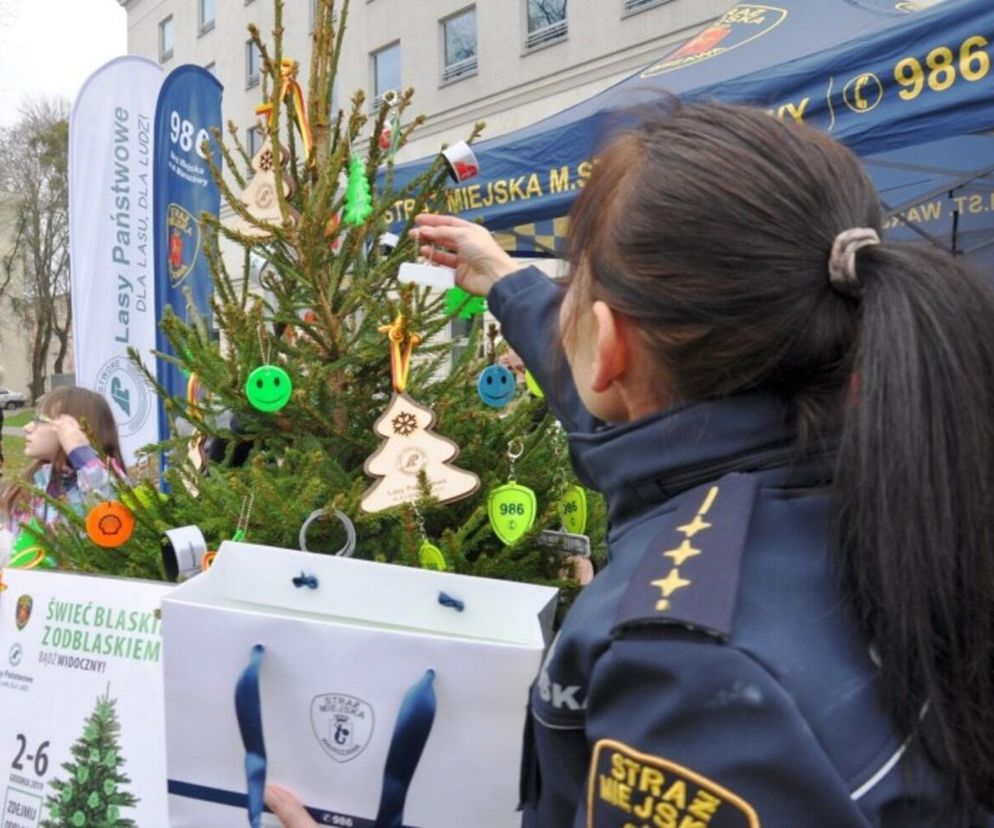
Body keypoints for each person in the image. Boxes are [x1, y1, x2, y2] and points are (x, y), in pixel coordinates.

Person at [268, 101, 994, 826]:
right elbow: (623, 411)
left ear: (610, 343)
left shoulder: (690, 669)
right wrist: (506, 282)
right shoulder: (912, 473)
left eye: (574, 281)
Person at [0, 386, 126, 539]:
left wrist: (80, 452)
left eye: (39, 420)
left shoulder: (104, 482)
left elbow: (115, 515)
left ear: (76, 430)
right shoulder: (29, 485)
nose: (27, 428)